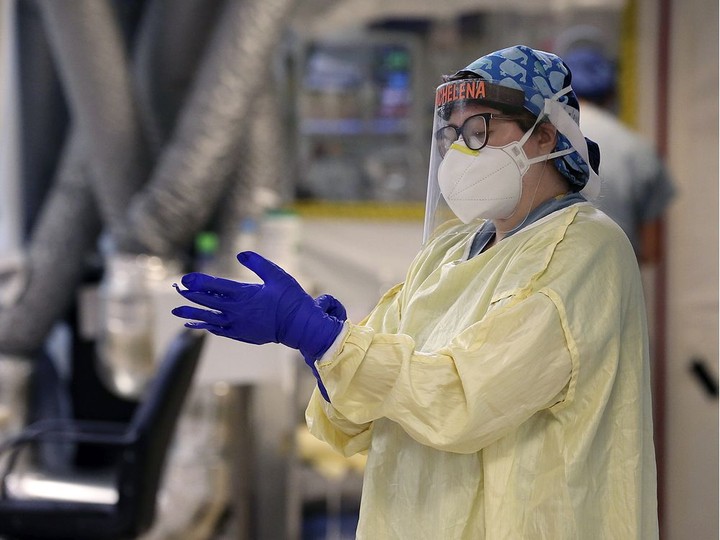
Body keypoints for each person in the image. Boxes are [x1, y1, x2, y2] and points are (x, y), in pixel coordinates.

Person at [172, 45, 658, 539]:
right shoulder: (449, 250)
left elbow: (463, 399)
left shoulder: (584, 249)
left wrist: (327, 341)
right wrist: (327, 349)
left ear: (545, 135)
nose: (462, 152)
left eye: (480, 131)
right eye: (453, 135)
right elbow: (362, 412)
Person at [561, 43, 676, 263]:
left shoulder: (543, 139)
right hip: (618, 287)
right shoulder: (638, 149)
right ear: (611, 94)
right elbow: (652, 249)